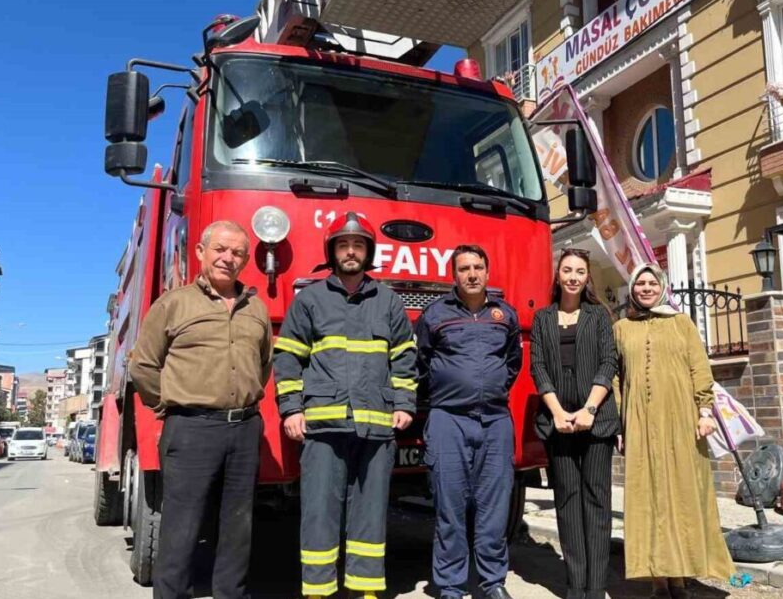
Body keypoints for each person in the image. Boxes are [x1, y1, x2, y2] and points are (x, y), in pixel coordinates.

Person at [273, 212, 417, 599]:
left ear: (368, 252)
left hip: (377, 425)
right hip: (323, 427)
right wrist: (291, 408)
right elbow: (287, 357)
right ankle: (318, 591)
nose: (350, 252)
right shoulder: (311, 300)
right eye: (343, 245)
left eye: (357, 245)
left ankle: (364, 590)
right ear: (332, 252)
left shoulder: (388, 300)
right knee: (319, 512)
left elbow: (405, 357)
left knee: (370, 513)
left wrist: (405, 403)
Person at [130, 220, 273, 599]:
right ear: (200, 252)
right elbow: (143, 366)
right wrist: (168, 404)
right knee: (182, 527)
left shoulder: (256, 309)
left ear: (246, 260)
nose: (228, 258)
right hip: (191, 429)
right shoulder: (173, 304)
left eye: (237, 253)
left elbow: (263, 364)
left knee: (238, 527)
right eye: (220, 249)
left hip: (244, 428)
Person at [613, 263, 735, 598]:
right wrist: (620, 423)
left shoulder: (682, 323)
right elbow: (615, 378)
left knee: (681, 496)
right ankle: (658, 580)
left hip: (682, 422)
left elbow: (699, 367)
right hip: (639, 424)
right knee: (648, 497)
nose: (646, 288)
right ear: (632, 289)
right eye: (641, 283)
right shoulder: (621, 328)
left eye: (652, 283)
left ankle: (680, 577)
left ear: (662, 287)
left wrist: (705, 411)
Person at [415, 244, 521, 599]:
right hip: (449, 420)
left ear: (487, 273)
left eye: (477, 267)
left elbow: (512, 363)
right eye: (464, 269)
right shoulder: (434, 315)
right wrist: (450, 389)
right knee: (450, 506)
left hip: (495, 420)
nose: (472, 274)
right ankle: (450, 585)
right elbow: (421, 362)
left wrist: (489, 387)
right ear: (454, 275)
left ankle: (493, 582)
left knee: (495, 507)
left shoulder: (505, 315)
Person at [529, 248, 619, 599]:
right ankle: (575, 585)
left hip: (596, 423)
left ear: (587, 277)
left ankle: (595, 587)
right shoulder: (542, 318)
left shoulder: (599, 315)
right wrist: (556, 412)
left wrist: (589, 409)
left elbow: (608, 362)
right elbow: (538, 367)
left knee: (596, 502)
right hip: (559, 424)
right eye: (567, 270)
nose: (573, 277)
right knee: (567, 503)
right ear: (558, 275)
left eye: (580, 271)